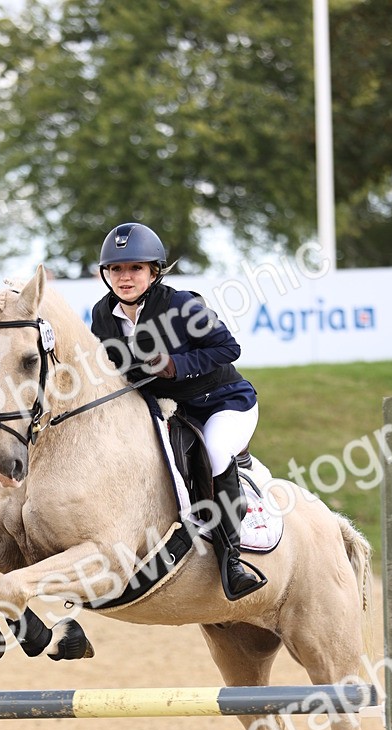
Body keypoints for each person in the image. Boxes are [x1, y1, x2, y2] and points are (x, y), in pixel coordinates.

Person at [91, 220, 265, 600]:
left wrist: (176, 365)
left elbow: (229, 348)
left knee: (215, 450)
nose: (124, 277)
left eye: (135, 268)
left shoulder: (181, 305)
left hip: (224, 401)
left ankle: (232, 561)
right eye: (116, 269)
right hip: (172, 409)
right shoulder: (103, 315)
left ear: (154, 272)